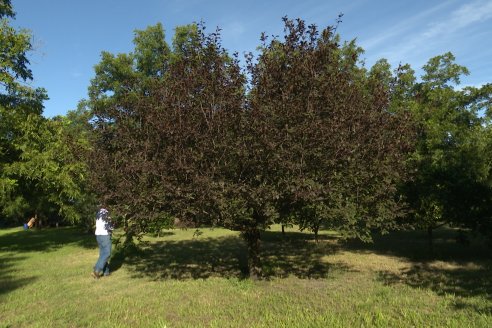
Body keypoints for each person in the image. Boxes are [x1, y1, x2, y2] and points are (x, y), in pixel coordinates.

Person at [92, 206, 114, 279]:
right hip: (105, 235)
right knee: (107, 253)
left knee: (103, 254)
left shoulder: (99, 212)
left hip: (98, 235)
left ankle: (106, 272)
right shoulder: (107, 213)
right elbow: (110, 226)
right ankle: (96, 270)